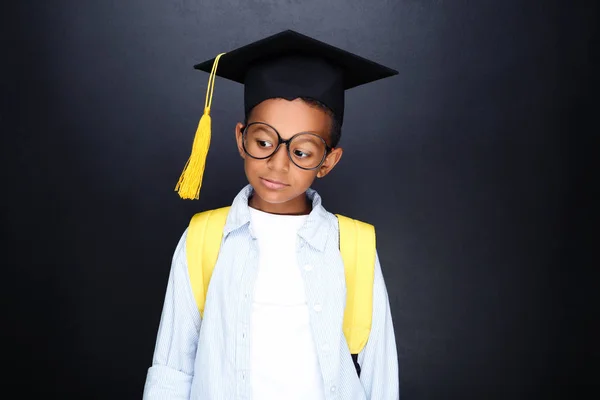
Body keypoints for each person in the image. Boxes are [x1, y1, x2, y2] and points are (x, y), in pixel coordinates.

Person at [143, 29, 400, 399]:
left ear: (328, 161)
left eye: (303, 152)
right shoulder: (204, 239)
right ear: (240, 139)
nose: (278, 165)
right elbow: (172, 365)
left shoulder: (352, 244)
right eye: (263, 141)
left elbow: (379, 369)